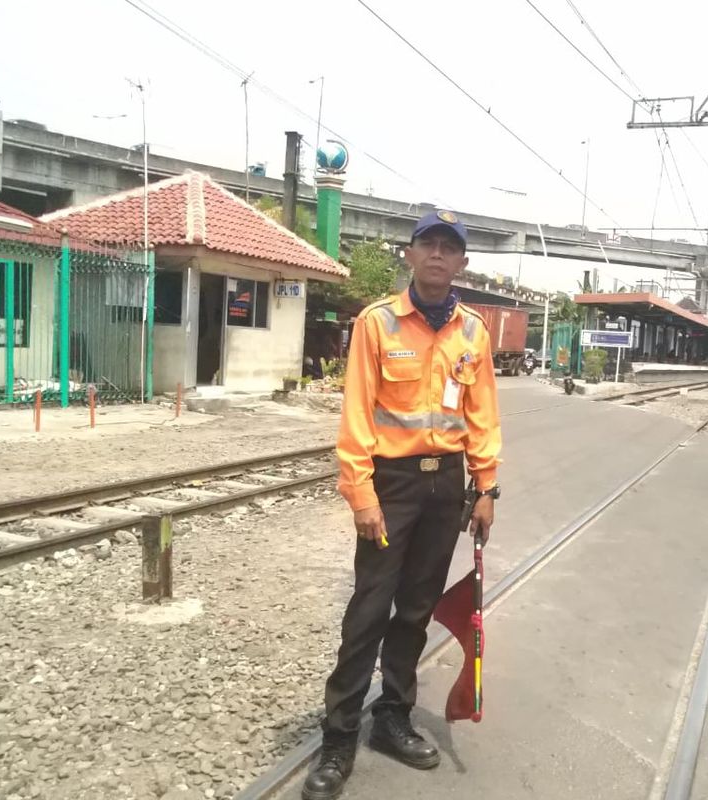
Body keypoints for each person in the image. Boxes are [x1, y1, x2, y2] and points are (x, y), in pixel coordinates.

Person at [303, 210, 503, 800]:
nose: (438, 255)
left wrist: (486, 488)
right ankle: (338, 738)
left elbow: (483, 415)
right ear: (410, 256)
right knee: (370, 607)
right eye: (428, 245)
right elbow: (358, 415)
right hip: (390, 487)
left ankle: (393, 716)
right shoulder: (378, 324)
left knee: (415, 608)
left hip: (447, 487)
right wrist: (360, 495)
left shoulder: (474, 332)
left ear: (462, 262)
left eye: (449, 248)